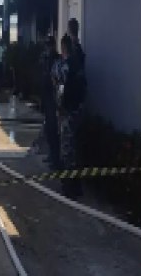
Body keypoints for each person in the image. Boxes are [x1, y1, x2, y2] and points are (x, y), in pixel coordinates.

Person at [55, 35, 84, 199]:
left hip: (67, 113)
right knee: (76, 148)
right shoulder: (78, 64)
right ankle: (77, 186)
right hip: (78, 112)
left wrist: (59, 109)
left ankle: (68, 188)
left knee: (66, 150)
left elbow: (59, 89)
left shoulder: (62, 67)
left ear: (63, 47)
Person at [39, 36, 60, 170]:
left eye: (49, 45)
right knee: (48, 129)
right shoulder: (46, 59)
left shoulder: (56, 60)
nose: (47, 48)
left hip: (53, 98)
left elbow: (56, 80)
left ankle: (55, 158)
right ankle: (51, 155)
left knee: (53, 129)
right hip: (46, 96)